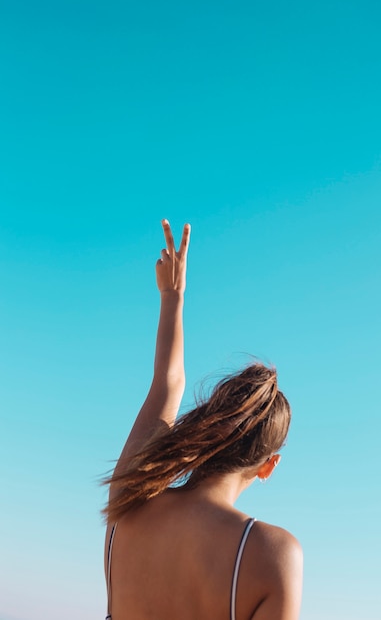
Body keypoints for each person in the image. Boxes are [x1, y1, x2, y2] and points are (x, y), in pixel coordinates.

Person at [103, 219, 303, 620]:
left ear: (209, 421)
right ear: (269, 465)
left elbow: (167, 384)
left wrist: (172, 296)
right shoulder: (270, 554)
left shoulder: (131, 501)